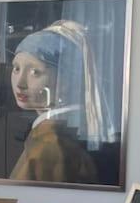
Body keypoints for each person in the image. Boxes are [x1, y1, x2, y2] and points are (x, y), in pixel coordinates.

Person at [9, 19, 114, 184]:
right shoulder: (63, 132)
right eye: (16, 68)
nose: (20, 83)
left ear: (65, 81)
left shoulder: (51, 144)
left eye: (35, 72)